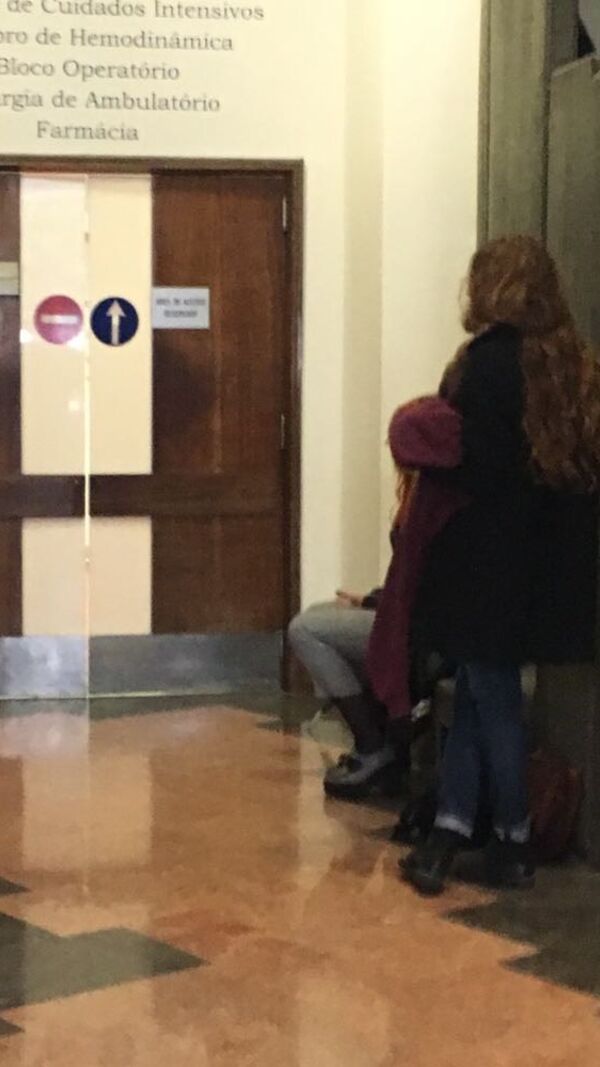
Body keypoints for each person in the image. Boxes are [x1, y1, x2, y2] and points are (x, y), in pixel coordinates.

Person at [401, 235, 600, 896]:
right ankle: (456, 829)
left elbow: (470, 467)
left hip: (487, 562)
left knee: (493, 700)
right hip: (557, 570)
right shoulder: (578, 366)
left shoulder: (484, 365)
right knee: (486, 696)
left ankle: (506, 834)